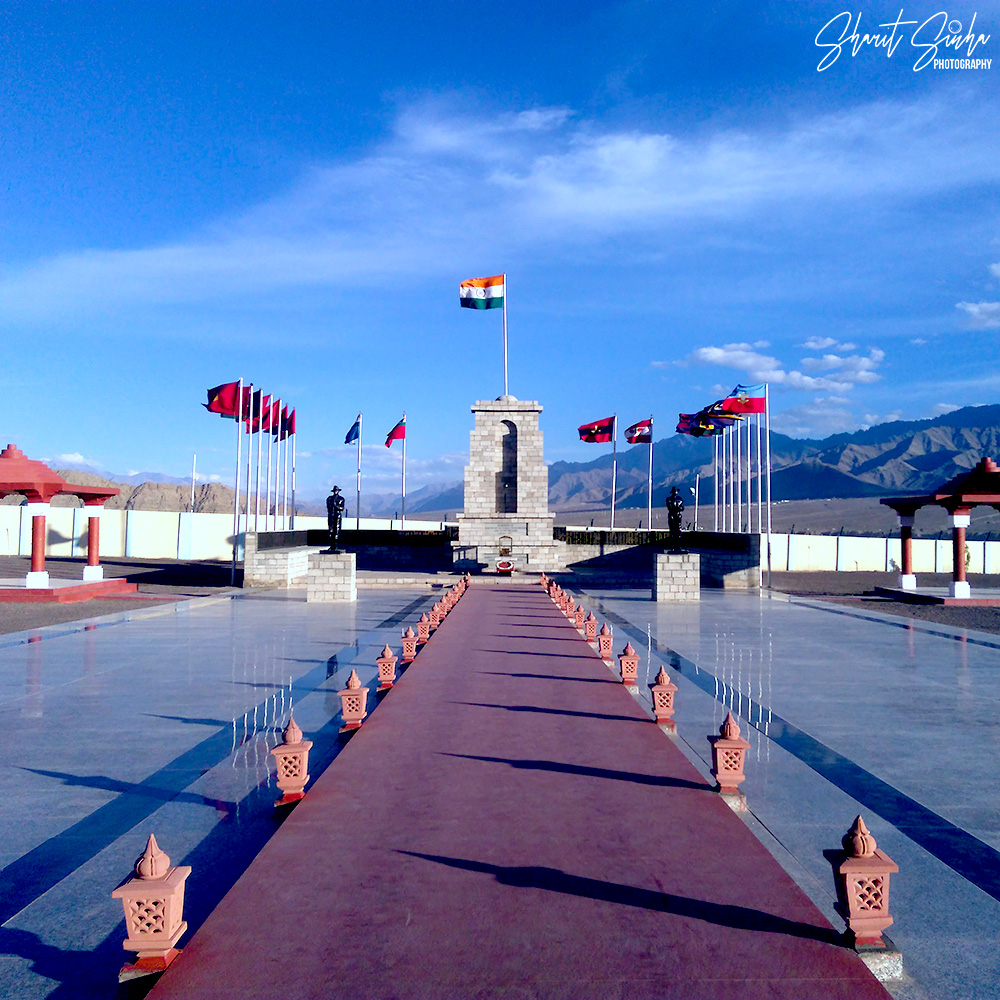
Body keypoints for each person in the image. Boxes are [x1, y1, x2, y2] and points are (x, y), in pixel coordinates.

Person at [326, 486, 346, 553]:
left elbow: (342, 508)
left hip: (337, 515)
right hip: (331, 515)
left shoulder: (341, 499)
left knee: (336, 530)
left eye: (336, 491)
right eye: (335, 491)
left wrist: (336, 506)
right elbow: (328, 507)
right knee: (331, 530)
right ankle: (332, 546)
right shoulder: (329, 499)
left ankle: (335, 545)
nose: (336, 492)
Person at [666, 486, 685, 552]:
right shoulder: (669, 499)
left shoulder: (680, 499)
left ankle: (678, 545)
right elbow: (670, 508)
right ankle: (673, 545)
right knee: (672, 531)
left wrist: (679, 509)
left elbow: (682, 508)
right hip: (672, 516)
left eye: (676, 491)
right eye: (674, 491)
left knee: (678, 531)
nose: (675, 492)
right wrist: (677, 509)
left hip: (678, 516)